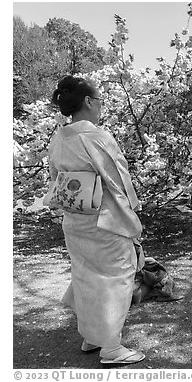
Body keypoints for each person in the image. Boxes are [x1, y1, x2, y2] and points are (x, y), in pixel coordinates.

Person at [48, 76, 145, 364]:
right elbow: (119, 181)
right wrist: (132, 213)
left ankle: (92, 336)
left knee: (86, 276)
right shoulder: (96, 137)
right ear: (88, 102)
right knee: (115, 279)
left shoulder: (59, 138)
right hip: (105, 218)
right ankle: (112, 347)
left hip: (75, 218)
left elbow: (56, 179)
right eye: (99, 100)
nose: (101, 106)